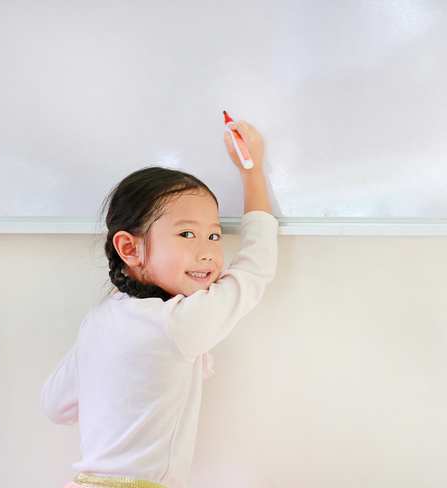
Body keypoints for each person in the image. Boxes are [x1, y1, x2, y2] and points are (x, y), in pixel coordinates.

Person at [41, 120, 278, 488]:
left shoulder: (99, 320)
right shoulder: (178, 323)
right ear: (129, 248)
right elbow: (255, 267)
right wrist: (252, 171)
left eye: (214, 235)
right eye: (187, 234)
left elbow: (55, 406)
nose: (208, 252)